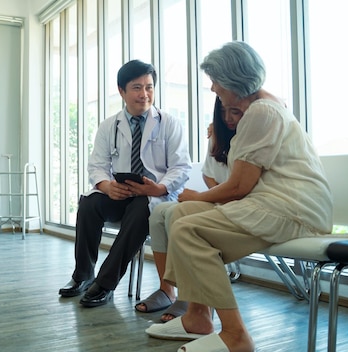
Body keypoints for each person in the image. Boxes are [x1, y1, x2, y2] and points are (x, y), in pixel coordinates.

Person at [145, 41, 333, 352]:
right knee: (178, 215)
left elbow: (238, 187)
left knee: (188, 227)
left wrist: (196, 196)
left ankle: (236, 335)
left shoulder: (261, 112)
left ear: (233, 82)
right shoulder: (260, 108)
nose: (213, 89)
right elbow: (238, 184)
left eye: (216, 83)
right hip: (275, 204)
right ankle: (197, 315)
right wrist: (195, 199)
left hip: (294, 210)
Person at [58, 59, 192, 308]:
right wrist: (107, 186)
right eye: (137, 87)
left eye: (149, 87)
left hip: (154, 196)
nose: (144, 94)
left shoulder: (169, 124)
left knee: (141, 209)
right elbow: (96, 165)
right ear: (121, 91)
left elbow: (182, 167)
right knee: (89, 203)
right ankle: (83, 275)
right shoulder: (110, 125)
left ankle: (105, 284)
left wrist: (159, 188)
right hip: (119, 194)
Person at [134, 96, 239, 322]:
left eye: (236, 112)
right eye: (223, 113)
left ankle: (189, 296)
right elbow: (209, 174)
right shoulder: (217, 137)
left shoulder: (254, 137)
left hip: (240, 206)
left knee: (176, 213)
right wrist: (214, 195)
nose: (229, 118)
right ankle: (166, 290)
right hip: (220, 201)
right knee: (160, 213)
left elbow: (240, 188)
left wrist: (203, 197)